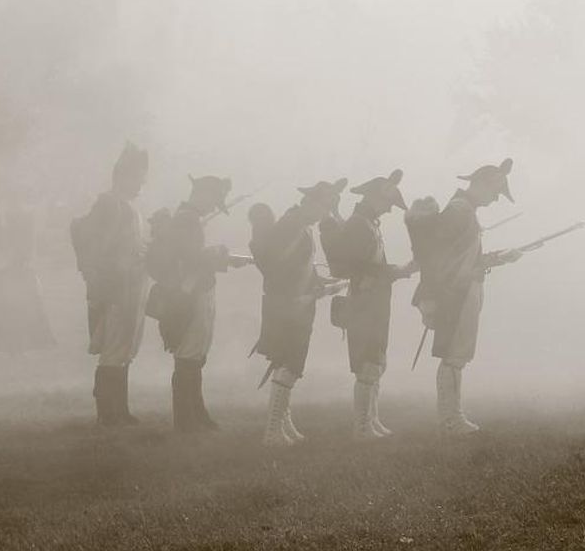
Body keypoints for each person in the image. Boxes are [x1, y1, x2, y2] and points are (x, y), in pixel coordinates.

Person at [417, 159, 521, 436]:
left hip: (462, 290)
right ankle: (450, 420)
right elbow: (434, 258)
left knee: (457, 354)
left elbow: (466, 258)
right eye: (494, 192)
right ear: (481, 184)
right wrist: (429, 298)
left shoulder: (464, 211)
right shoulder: (459, 211)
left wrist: (500, 258)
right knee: (453, 354)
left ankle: (453, 417)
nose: (494, 199)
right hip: (455, 293)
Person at [149, 174, 252, 433]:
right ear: (203, 194)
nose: (212, 207)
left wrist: (222, 258)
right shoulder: (187, 220)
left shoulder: (187, 218)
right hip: (190, 294)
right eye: (213, 201)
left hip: (195, 291)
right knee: (188, 356)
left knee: (195, 356)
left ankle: (196, 413)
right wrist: (221, 257)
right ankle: (185, 420)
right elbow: (191, 259)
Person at [248, 180, 348, 447]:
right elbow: (275, 267)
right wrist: (306, 294)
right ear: (311, 202)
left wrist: (323, 282)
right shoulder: (292, 225)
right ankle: (272, 432)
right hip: (289, 305)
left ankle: (281, 423)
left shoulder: (300, 225)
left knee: (289, 364)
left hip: (296, 303)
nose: (324, 213)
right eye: (323, 206)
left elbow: (301, 266)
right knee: (289, 365)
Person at [329, 170, 416, 440]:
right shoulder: (358, 224)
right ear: (375, 198)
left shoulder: (368, 223)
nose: (390, 209)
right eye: (388, 203)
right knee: (367, 362)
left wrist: (395, 271)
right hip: (365, 302)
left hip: (375, 300)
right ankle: (362, 426)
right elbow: (357, 266)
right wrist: (397, 271)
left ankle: (371, 419)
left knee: (376, 361)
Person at [70, 142, 149, 426]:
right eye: (138, 176)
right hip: (116, 289)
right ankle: (107, 413)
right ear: (124, 176)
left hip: (133, 286)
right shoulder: (109, 204)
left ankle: (120, 409)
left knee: (126, 347)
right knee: (114, 348)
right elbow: (98, 247)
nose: (142, 183)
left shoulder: (129, 207)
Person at [0, 196, 55, 355]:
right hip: (14, 268)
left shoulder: (20, 220)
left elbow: (20, 246)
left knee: (19, 304)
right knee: (14, 305)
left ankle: (17, 344)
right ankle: (15, 344)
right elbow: (5, 245)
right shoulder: (16, 220)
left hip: (17, 267)